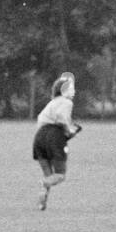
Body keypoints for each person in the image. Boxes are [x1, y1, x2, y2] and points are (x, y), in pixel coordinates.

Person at [32, 72, 80, 210]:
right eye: (71, 89)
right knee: (60, 175)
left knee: (48, 175)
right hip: (54, 137)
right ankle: (43, 184)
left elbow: (41, 119)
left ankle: (42, 202)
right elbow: (61, 118)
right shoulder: (67, 102)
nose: (74, 91)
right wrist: (70, 131)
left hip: (39, 138)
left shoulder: (52, 102)